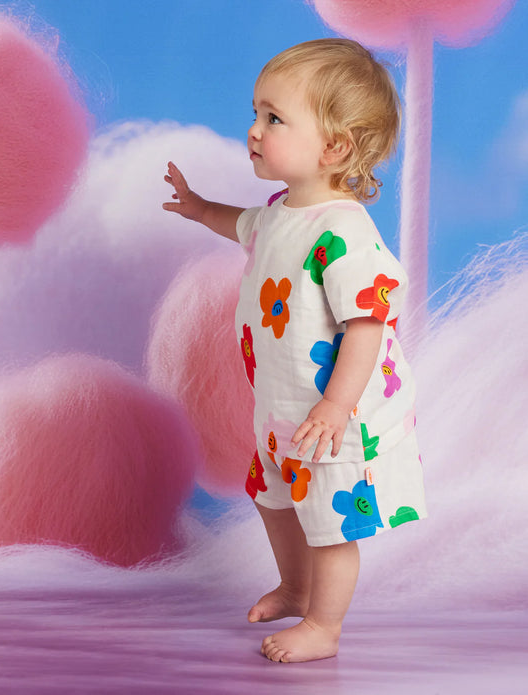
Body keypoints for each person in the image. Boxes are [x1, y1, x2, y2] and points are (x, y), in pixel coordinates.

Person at [163, 38, 427, 664]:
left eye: (274, 118)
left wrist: (336, 406)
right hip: (283, 411)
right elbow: (242, 225)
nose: (254, 130)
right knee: (275, 500)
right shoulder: (281, 212)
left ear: (334, 148)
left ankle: (324, 626)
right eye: (256, 113)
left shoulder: (343, 230)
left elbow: (367, 324)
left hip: (333, 418)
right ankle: (295, 586)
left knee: (331, 524)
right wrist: (200, 209)